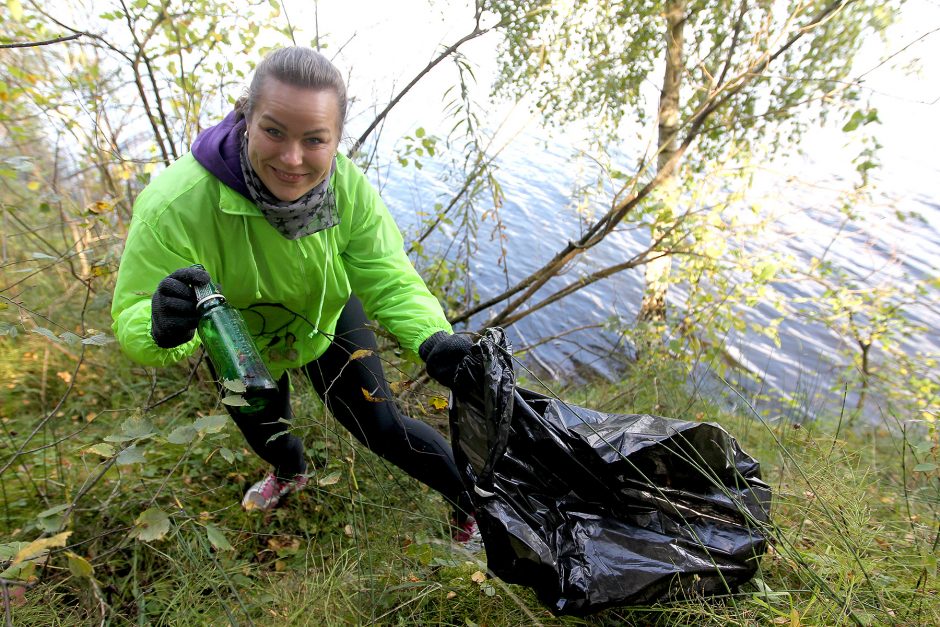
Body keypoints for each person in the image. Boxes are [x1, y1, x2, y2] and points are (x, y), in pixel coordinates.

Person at [110, 46, 479, 542]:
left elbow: (387, 274)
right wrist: (160, 326)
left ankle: (475, 507)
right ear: (246, 116)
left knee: (384, 428)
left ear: (336, 139)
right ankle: (290, 472)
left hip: (325, 317)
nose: (291, 158)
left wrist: (433, 339)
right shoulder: (175, 205)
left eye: (314, 139)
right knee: (266, 430)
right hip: (236, 340)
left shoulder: (347, 188)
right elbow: (134, 311)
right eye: (274, 131)